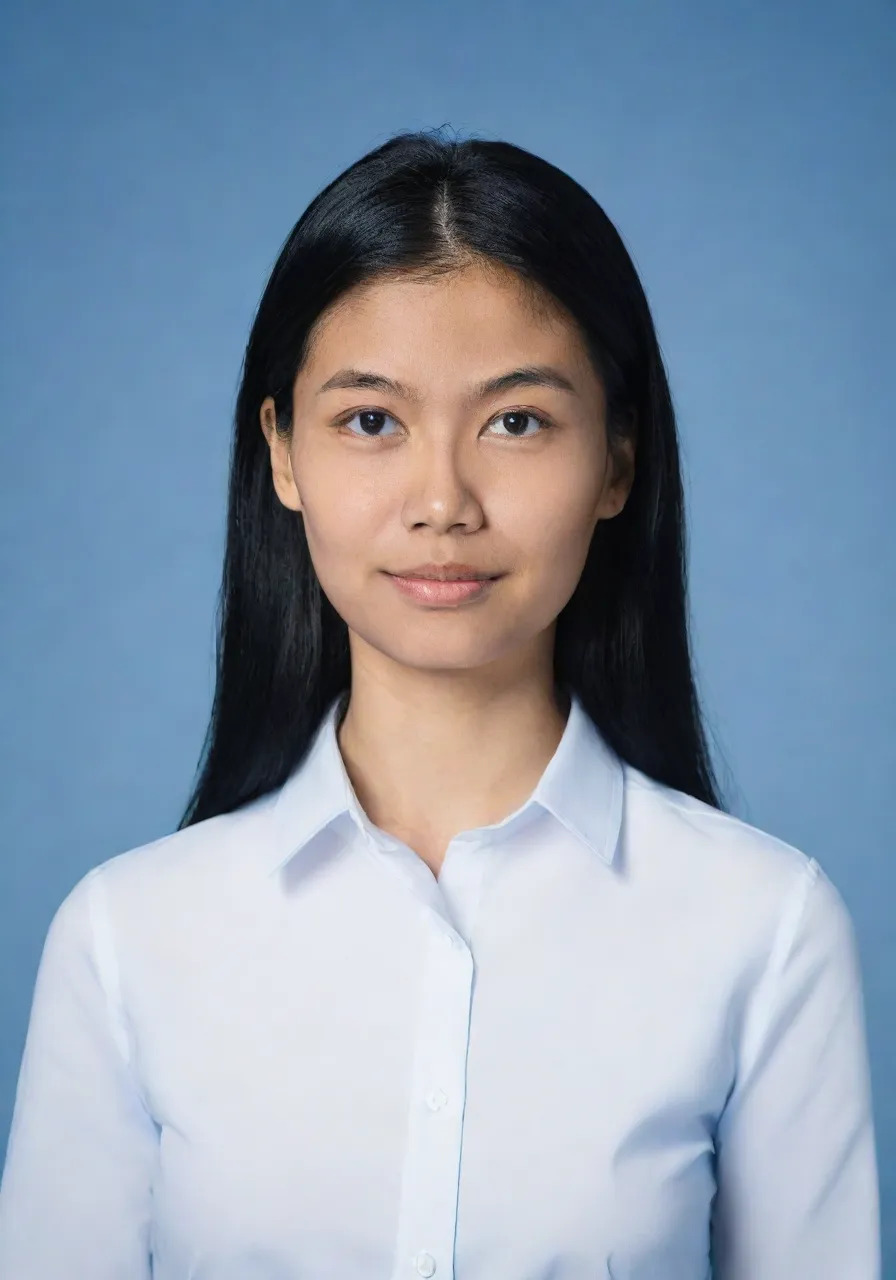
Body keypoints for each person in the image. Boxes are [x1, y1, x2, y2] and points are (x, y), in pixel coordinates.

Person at [0, 129, 880, 1279]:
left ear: (616, 460)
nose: (441, 499)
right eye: (371, 420)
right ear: (281, 452)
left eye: (516, 421)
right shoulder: (126, 939)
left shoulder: (763, 927)